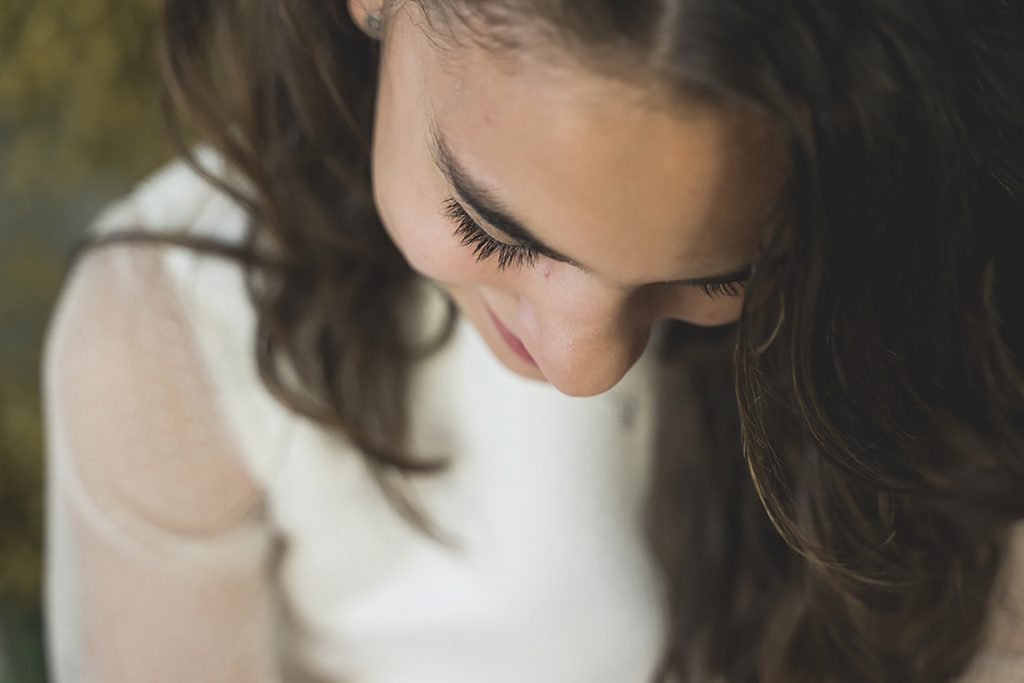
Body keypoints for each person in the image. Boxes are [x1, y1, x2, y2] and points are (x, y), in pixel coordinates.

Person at [40, 0, 1023, 681]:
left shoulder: (935, 272)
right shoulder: (167, 339)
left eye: (721, 274)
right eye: (491, 229)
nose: (583, 365)